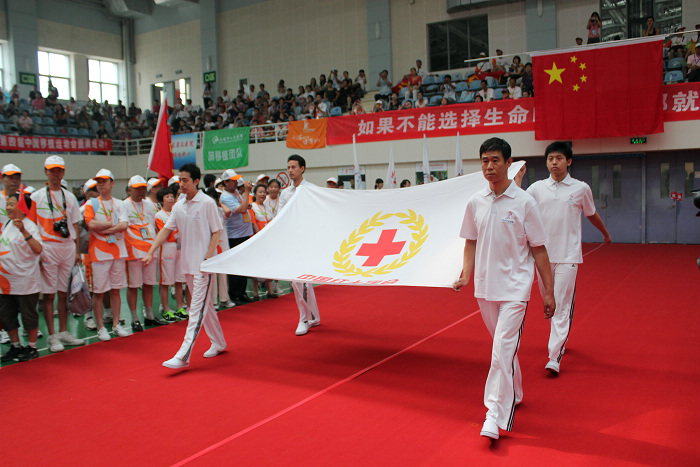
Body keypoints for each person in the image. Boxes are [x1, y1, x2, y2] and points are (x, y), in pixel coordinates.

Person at [452, 137, 555, 441]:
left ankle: (495, 415)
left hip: (515, 289)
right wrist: (466, 275)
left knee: (500, 352)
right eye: (484, 161)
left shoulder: (525, 202)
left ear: (510, 163)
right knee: (503, 351)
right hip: (485, 289)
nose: (489, 166)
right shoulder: (475, 201)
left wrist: (548, 291)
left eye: (496, 160)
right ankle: (517, 391)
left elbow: (539, 250)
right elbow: (470, 241)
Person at [523, 141, 612, 374]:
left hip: (568, 256)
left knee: (561, 306)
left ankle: (554, 356)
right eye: (551, 158)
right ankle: (560, 337)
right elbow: (518, 206)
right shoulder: (536, 188)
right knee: (549, 303)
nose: (554, 162)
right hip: (542, 257)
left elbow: (591, 215)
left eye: (559, 158)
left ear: (569, 161)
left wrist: (604, 232)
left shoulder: (580, 188)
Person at [144, 163, 227, 369]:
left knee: (195, 310)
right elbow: (165, 231)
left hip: (203, 267)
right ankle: (219, 342)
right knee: (205, 307)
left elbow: (216, 232)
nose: (180, 184)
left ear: (196, 181)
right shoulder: (179, 205)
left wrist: (207, 259)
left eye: (185, 180)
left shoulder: (207, 203)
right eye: (179, 179)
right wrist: (151, 251)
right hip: (187, 265)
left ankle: (183, 355)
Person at [30, 156, 85, 353]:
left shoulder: (69, 197)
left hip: (67, 248)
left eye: (59, 170)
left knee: (64, 292)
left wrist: (77, 250)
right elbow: (30, 225)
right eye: (52, 170)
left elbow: (76, 226)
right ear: (45, 171)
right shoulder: (36, 197)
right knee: (49, 294)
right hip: (47, 248)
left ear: (63, 172)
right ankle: (52, 337)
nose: (56, 174)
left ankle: (63, 332)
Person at [84, 169, 130, 340]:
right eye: (99, 181)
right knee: (99, 292)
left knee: (116, 291)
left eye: (104, 180)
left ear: (112, 182)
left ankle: (117, 324)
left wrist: (104, 228)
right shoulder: (91, 204)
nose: (101, 183)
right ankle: (101, 327)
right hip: (98, 254)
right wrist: (112, 224)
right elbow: (91, 224)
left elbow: (124, 225)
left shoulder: (120, 203)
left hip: (117, 252)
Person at [278, 155, 320, 336]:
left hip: (308, 239)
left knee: (301, 280)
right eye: (288, 167)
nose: (290, 170)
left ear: (302, 168)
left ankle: (304, 318)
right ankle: (312, 316)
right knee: (300, 281)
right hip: (291, 240)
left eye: (293, 167)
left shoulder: (312, 190)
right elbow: (279, 217)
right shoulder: (285, 193)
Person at [120, 175, 168, 331]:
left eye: (143, 188)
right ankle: (134, 318)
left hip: (150, 250)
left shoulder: (149, 204)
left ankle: (149, 316)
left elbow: (154, 225)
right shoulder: (124, 205)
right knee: (133, 286)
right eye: (137, 188)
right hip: (133, 251)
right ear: (130, 189)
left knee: (149, 285)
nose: (141, 191)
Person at [0, 193, 42, 362]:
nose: (8, 207)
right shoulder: (7, 224)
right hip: (5, 282)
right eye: (8, 204)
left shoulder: (30, 226)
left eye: (12, 204)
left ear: (23, 208)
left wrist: (23, 231)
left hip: (25, 281)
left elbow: (38, 249)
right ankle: (16, 346)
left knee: (28, 315)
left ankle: (31, 347)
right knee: (7, 316)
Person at [220, 169, 254, 305]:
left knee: (243, 265)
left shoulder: (235, 194)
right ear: (226, 182)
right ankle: (235, 294)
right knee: (235, 266)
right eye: (233, 181)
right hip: (234, 236)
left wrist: (246, 201)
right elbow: (241, 209)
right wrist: (247, 192)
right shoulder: (225, 197)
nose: (236, 183)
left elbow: (244, 206)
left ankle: (242, 292)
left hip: (244, 233)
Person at [154, 187, 187, 322]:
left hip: (179, 249)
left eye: (172, 196)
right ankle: (166, 309)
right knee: (166, 281)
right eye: (167, 196)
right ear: (162, 200)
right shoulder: (159, 215)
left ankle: (180, 307)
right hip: (166, 249)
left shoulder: (178, 213)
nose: (171, 198)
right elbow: (165, 234)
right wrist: (176, 234)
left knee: (179, 280)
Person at [1, 164, 23, 230]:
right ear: (2, 179)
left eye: (17, 178)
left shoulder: (23, 199)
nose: (14, 181)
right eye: (10, 178)